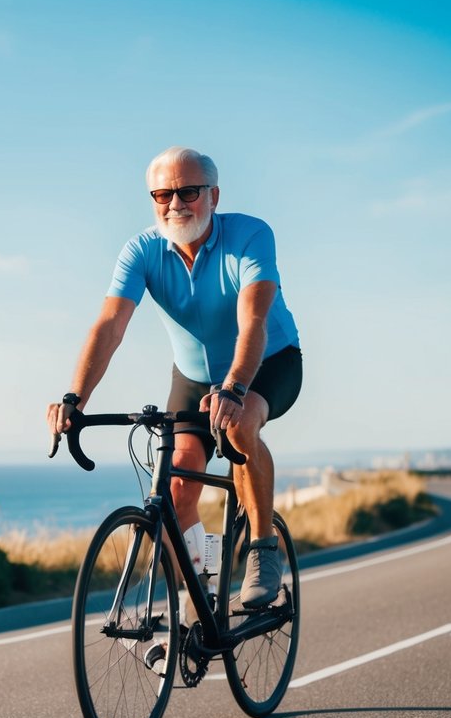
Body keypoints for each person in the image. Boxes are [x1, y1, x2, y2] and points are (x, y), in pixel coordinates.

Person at [47, 145, 302, 614]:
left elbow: (253, 322)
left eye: (188, 192)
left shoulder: (250, 236)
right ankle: (201, 593)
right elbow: (110, 325)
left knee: (239, 425)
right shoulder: (141, 250)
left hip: (268, 362)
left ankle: (263, 548)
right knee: (178, 487)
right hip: (194, 377)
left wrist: (235, 387)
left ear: (214, 195)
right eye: (162, 194)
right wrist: (75, 397)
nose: (175, 204)